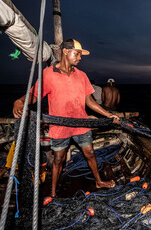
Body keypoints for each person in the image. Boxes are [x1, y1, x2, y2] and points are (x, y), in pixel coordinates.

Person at [13, 39, 119, 197]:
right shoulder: (48, 74)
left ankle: (99, 181)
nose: (79, 57)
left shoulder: (82, 75)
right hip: (60, 126)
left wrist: (109, 115)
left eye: (80, 55)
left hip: (81, 124)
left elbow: (89, 101)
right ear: (65, 52)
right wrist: (19, 101)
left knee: (90, 153)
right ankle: (53, 192)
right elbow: (34, 96)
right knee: (58, 160)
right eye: (77, 53)